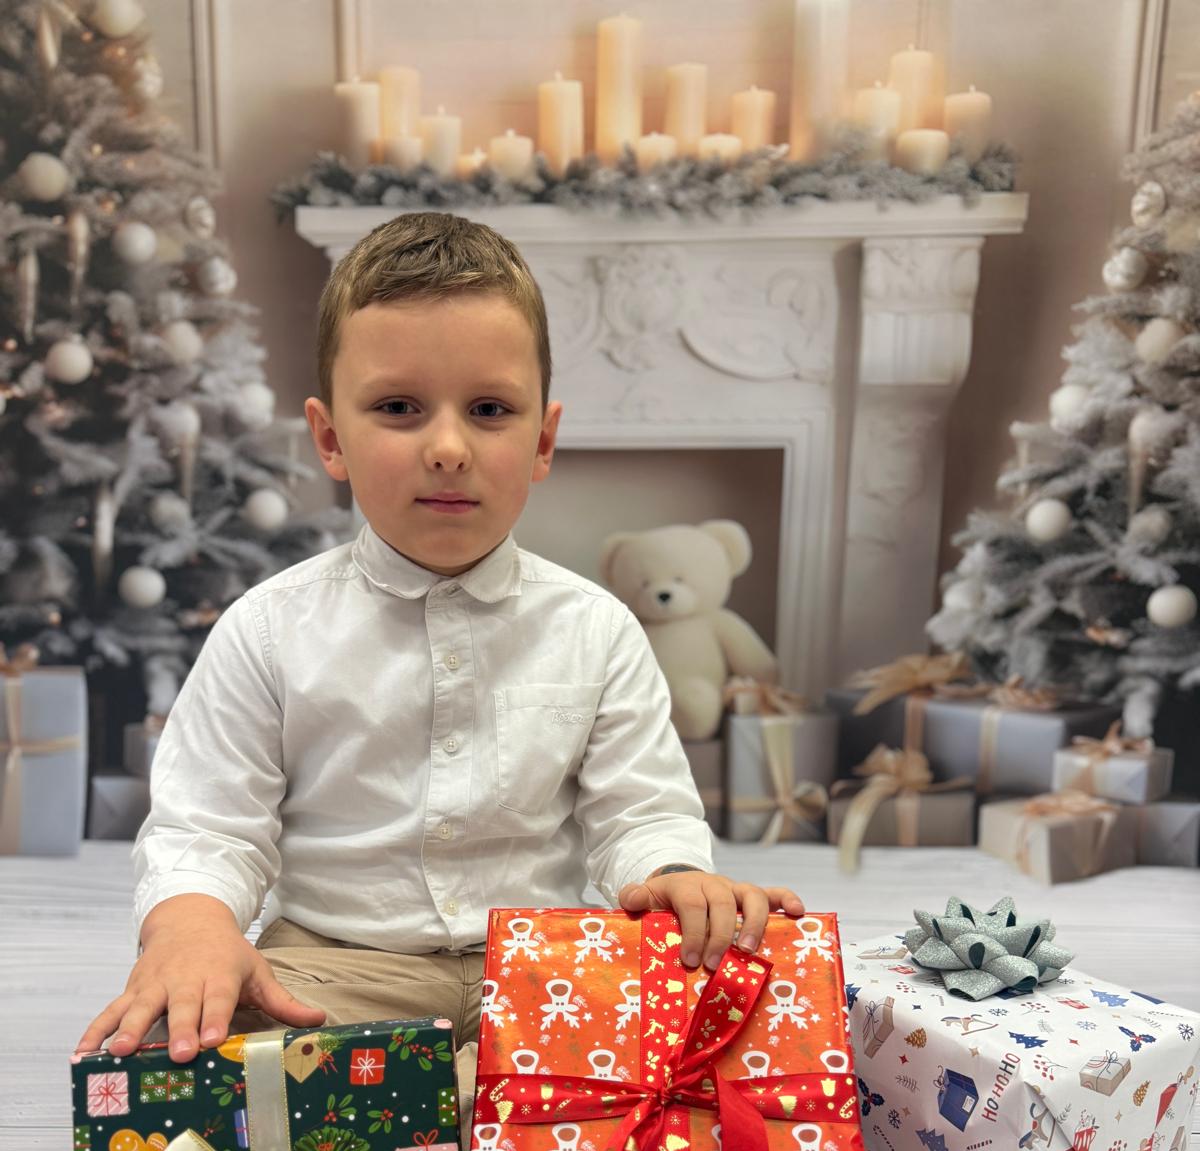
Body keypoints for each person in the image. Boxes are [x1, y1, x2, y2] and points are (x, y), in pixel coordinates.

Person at [72, 211, 805, 1084]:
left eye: (490, 410)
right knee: (200, 1054)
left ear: (542, 439)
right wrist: (192, 924)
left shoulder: (597, 629)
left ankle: (486, 1118)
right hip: (336, 967)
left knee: (711, 1049)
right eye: (398, 409)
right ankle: (448, 1116)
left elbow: (639, 810)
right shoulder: (268, 628)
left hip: (543, 966)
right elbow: (209, 823)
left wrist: (673, 871)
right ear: (330, 438)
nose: (449, 448)